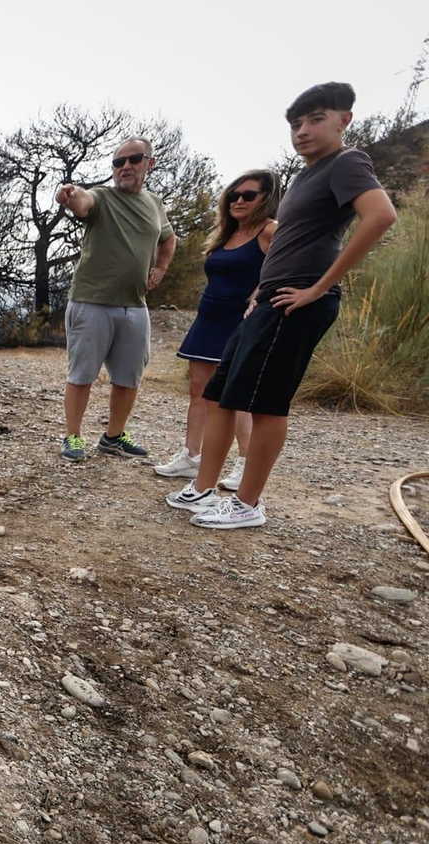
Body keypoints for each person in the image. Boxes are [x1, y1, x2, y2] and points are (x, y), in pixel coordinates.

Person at [167, 82, 397, 528]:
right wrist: (259, 292)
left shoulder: (346, 162)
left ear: (344, 120)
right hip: (270, 299)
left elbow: (382, 215)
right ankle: (203, 488)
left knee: (265, 403)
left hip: (299, 300)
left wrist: (319, 287)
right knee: (220, 395)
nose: (303, 131)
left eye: (316, 119)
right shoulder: (306, 175)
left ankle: (247, 504)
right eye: (296, 124)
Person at [55, 138, 178, 462]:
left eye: (134, 159)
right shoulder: (102, 197)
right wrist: (70, 195)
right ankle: (72, 437)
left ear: (149, 163)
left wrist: (161, 268)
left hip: (135, 305)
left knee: (128, 377)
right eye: (118, 162)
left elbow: (168, 239)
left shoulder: (154, 203)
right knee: (82, 374)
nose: (125, 166)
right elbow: (83, 202)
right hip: (91, 302)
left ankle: (113, 437)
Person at [153, 171, 280, 485]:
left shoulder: (269, 229)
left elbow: (284, 267)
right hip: (208, 318)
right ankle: (191, 456)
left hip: (241, 321)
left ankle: (245, 463)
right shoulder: (226, 232)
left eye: (248, 195)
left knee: (235, 395)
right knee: (199, 389)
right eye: (233, 196)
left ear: (266, 198)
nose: (239, 201)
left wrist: (258, 295)